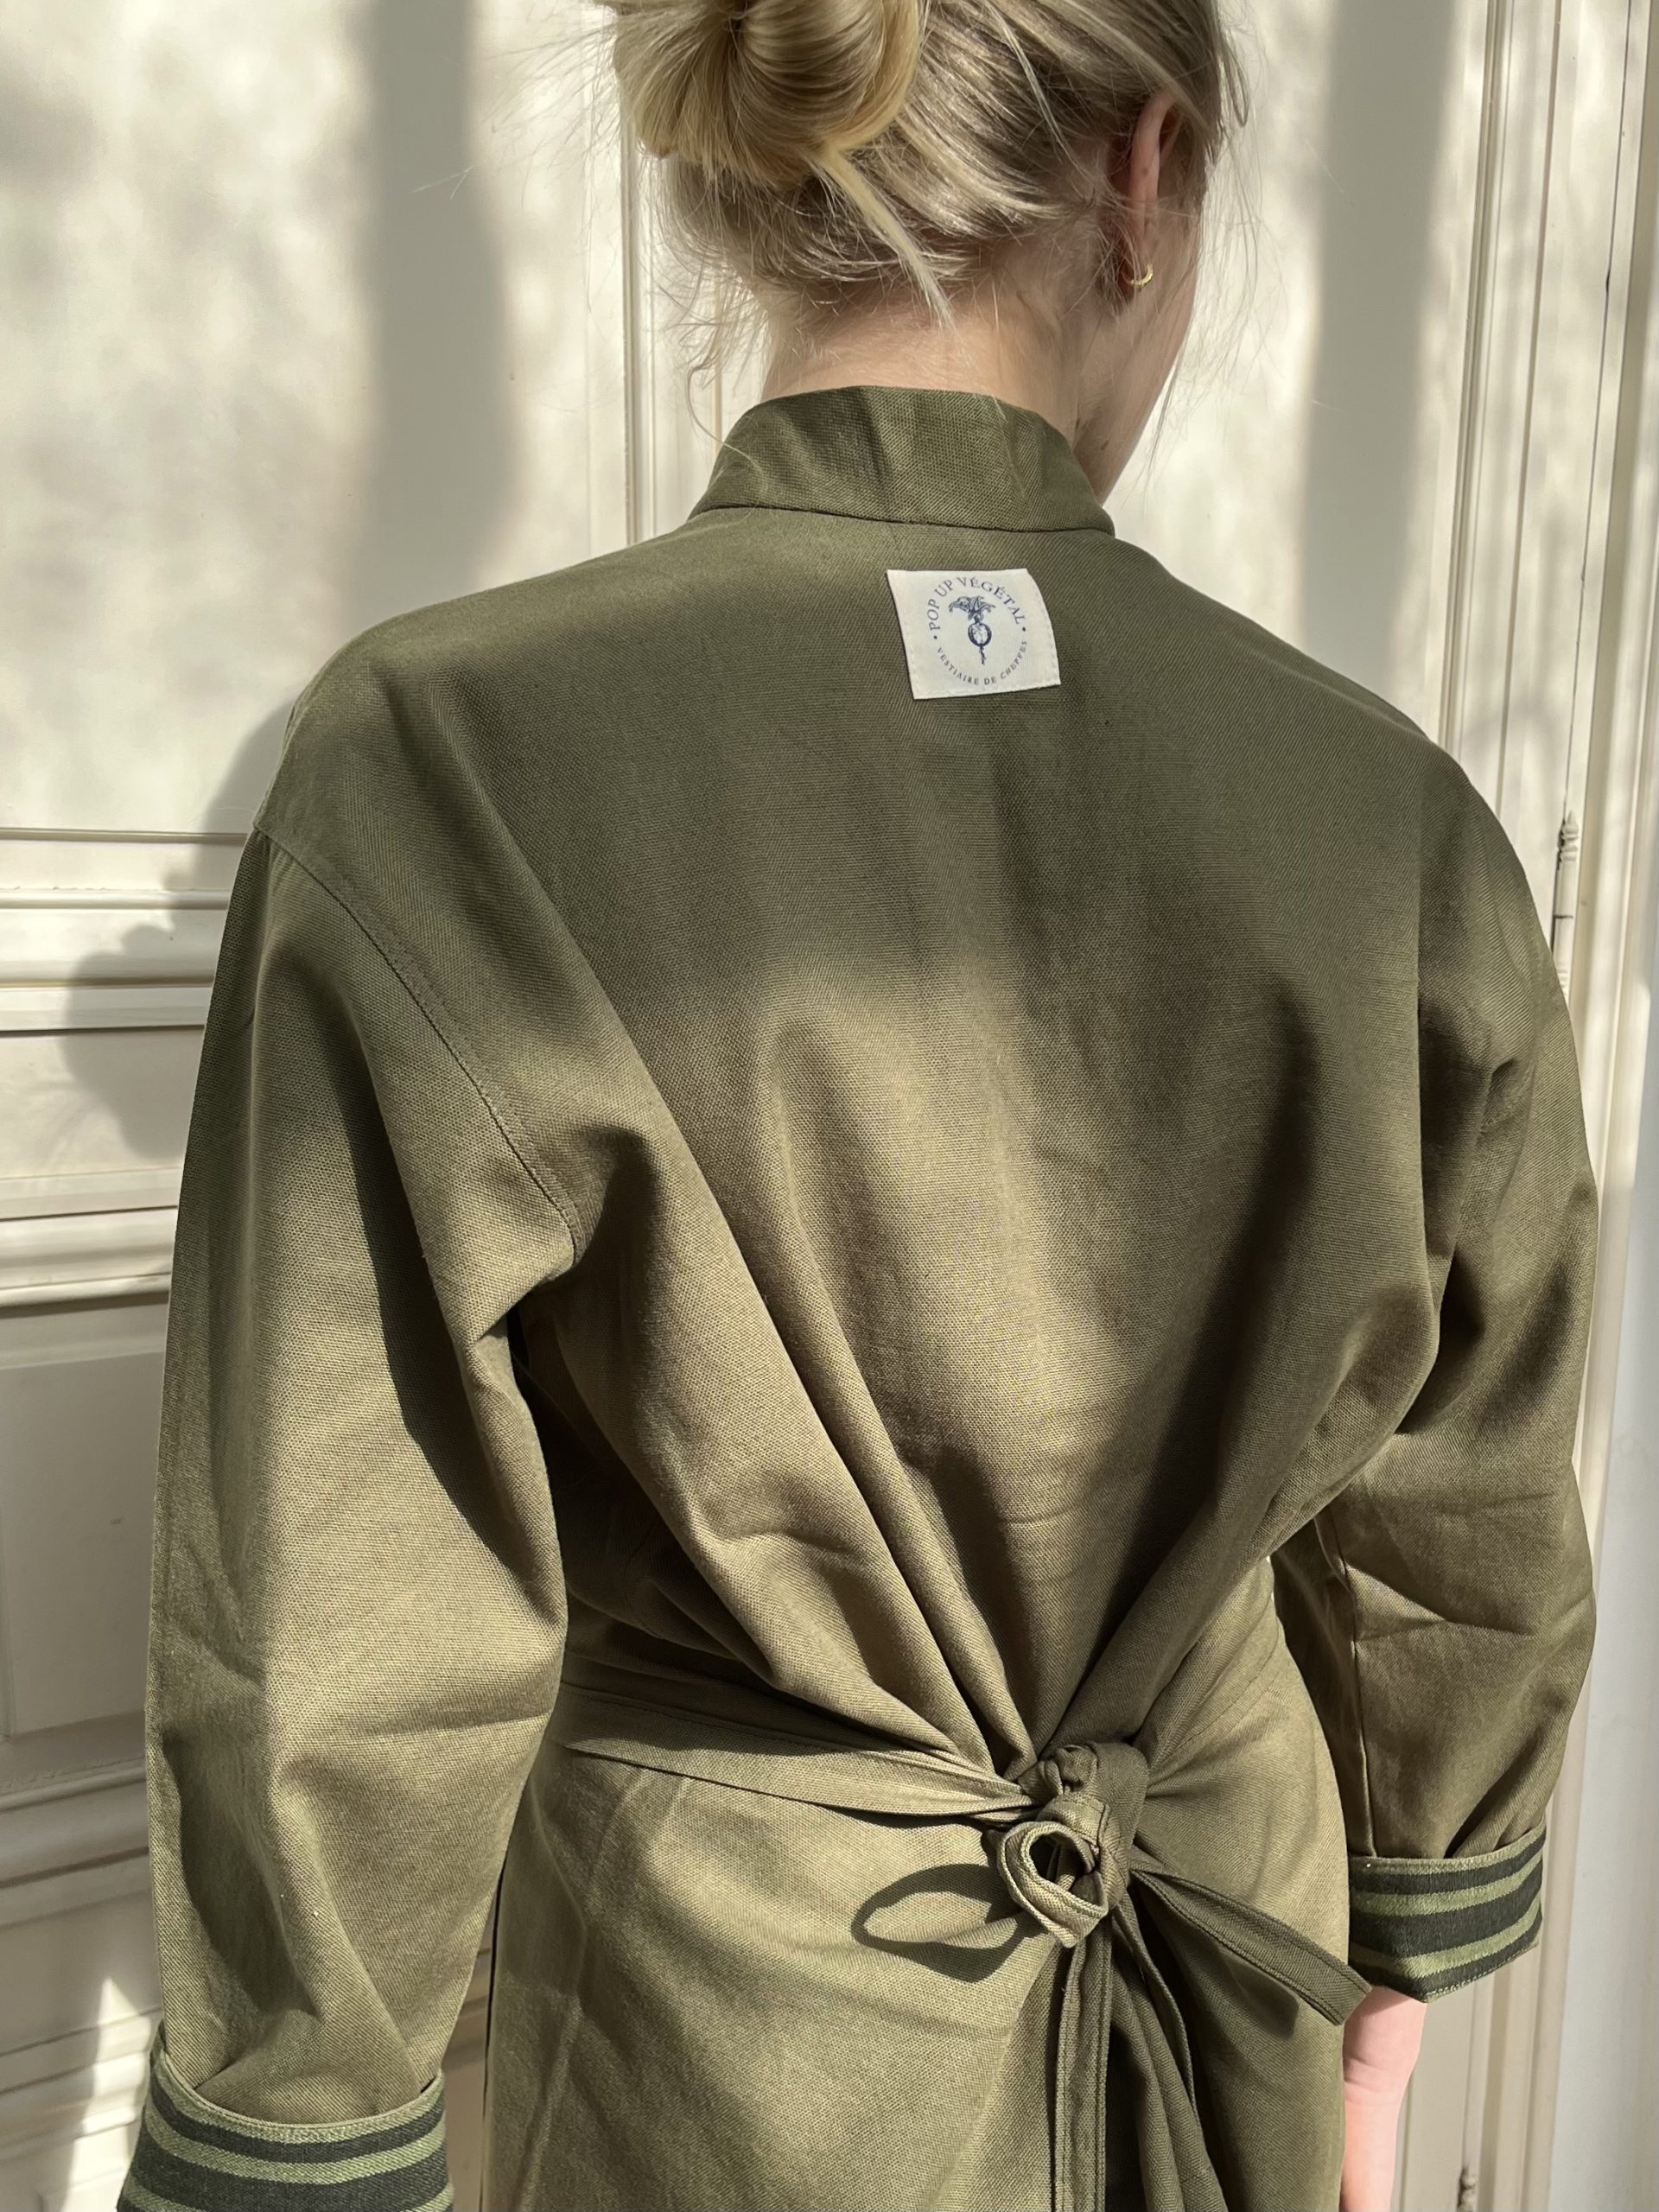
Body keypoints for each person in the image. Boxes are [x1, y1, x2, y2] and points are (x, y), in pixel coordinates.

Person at [118, 1, 1600, 2209]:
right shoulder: (1390, 819)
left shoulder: (446, 762)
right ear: (1145, 170)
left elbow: (330, 1599)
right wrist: (1395, 1971)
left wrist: (297, 2118)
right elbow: (1460, 1504)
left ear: (746, 160)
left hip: (736, 2039)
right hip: (1235, 1965)